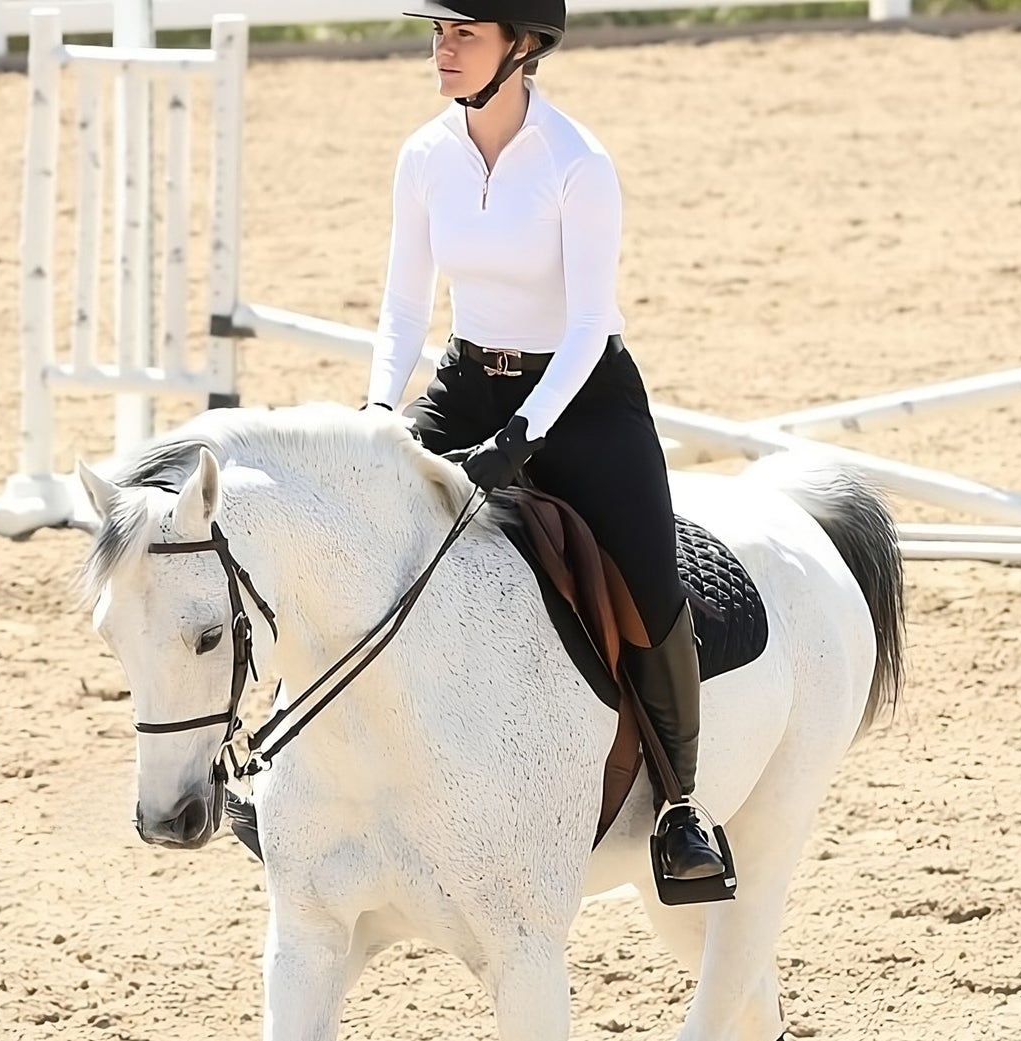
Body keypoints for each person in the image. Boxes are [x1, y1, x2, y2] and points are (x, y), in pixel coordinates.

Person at [363, 0, 727, 884]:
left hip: (582, 393)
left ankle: (681, 806)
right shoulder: (424, 157)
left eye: (464, 35)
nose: (442, 50)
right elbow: (408, 307)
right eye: (437, 33)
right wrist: (377, 417)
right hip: (466, 381)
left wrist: (522, 437)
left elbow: (591, 324)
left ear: (520, 48)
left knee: (647, 581)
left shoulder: (577, 163)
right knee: (362, 529)